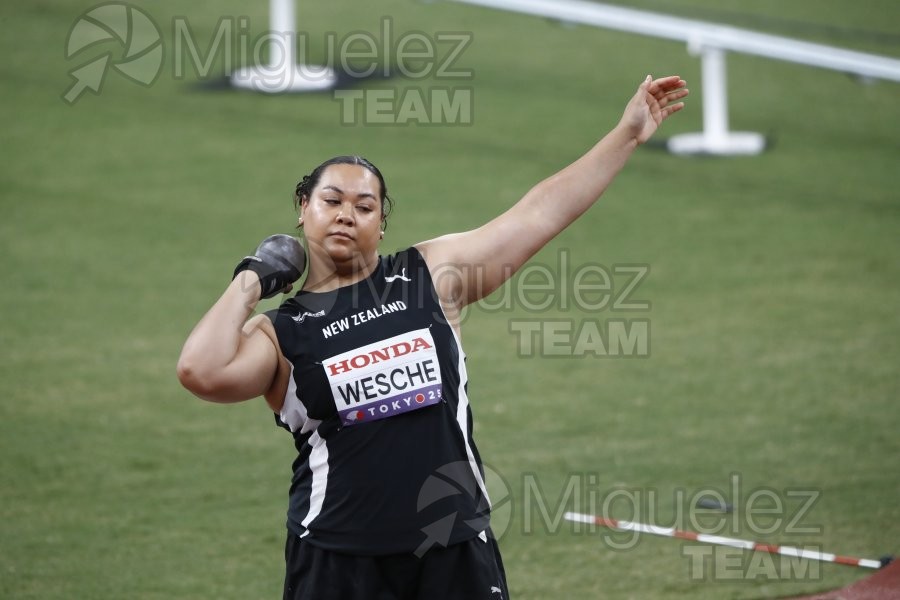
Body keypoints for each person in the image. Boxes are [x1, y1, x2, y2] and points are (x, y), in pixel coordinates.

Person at [177, 74, 688, 599]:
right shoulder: (283, 331)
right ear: (303, 207)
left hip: (452, 545)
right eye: (331, 200)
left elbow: (540, 212)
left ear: (382, 223)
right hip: (338, 558)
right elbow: (201, 370)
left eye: (365, 206)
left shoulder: (428, 275)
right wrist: (252, 279)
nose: (347, 214)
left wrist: (626, 133)